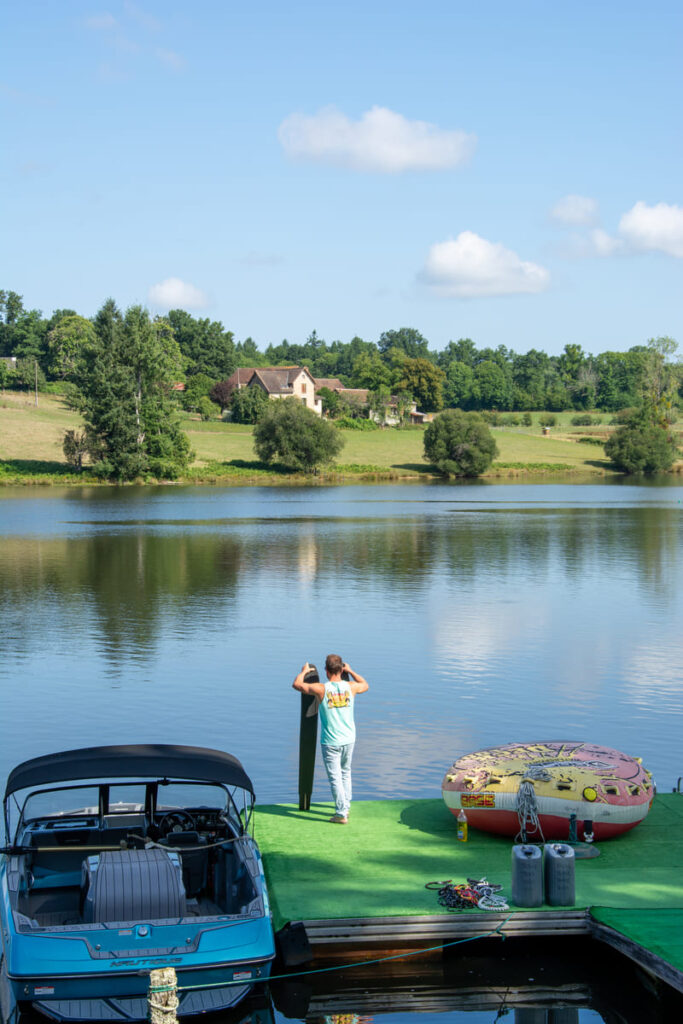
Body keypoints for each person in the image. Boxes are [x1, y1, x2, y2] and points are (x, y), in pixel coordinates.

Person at [292, 655, 369, 824]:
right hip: (349, 739)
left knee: (335, 778)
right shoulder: (351, 687)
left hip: (331, 741)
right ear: (341, 670)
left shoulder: (321, 689)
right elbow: (365, 684)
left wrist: (304, 672)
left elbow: (297, 685)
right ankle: (346, 807)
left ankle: (341, 814)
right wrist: (351, 671)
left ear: (326, 671)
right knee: (345, 773)